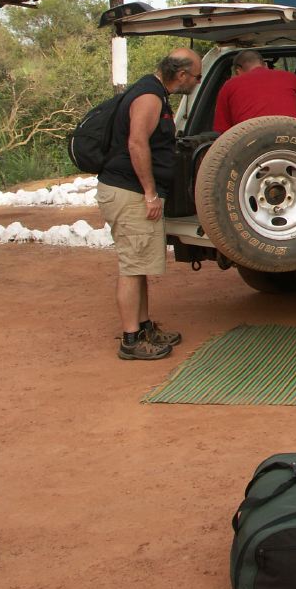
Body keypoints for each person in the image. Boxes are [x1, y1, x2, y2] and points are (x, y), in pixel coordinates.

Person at [96, 49, 202, 361]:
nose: (197, 82)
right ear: (181, 75)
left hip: (130, 191)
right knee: (131, 266)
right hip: (129, 192)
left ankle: (144, 328)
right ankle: (131, 339)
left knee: (138, 263)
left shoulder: (154, 91)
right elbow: (136, 142)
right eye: (196, 77)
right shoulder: (149, 96)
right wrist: (150, 193)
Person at [213, 50, 296, 133]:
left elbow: (223, 132)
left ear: (237, 71)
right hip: (291, 146)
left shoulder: (229, 86)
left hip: (248, 150)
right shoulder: (291, 78)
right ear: (265, 65)